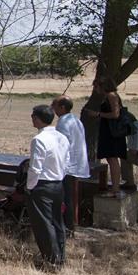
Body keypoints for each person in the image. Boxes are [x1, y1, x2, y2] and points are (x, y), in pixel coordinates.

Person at [26, 104, 70, 268]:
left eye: (33, 116)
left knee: (44, 225)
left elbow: (35, 168)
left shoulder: (39, 140)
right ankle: (60, 256)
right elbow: (66, 162)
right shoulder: (62, 137)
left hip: (42, 185)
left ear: (38, 119)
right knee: (57, 222)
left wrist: (30, 187)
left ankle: (51, 260)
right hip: (58, 184)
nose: (31, 118)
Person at [52, 96, 89, 237]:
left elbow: (61, 146)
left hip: (68, 166)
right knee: (70, 196)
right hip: (77, 163)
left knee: (66, 197)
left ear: (62, 107)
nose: (53, 109)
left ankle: (68, 227)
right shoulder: (75, 119)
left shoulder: (63, 123)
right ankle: (71, 225)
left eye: (55, 105)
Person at [84, 76, 128, 197]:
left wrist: (97, 114)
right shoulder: (108, 96)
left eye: (96, 86)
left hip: (112, 133)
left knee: (112, 159)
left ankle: (115, 189)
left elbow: (115, 114)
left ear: (103, 86)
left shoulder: (111, 96)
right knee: (111, 159)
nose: (95, 89)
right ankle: (115, 187)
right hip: (108, 131)